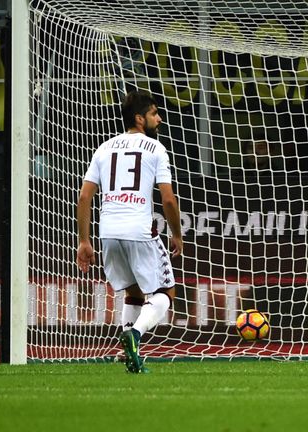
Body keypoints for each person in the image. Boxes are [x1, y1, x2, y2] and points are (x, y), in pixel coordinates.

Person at [76, 90, 183, 374]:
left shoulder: (104, 148)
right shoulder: (156, 149)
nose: (158, 119)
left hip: (108, 232)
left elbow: (84, 197)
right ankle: (134, 335)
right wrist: (177, 234)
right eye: (154, 114)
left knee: (133, 292)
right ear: (140, 118)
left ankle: (126, 351)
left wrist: (84, 241)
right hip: (139, 229)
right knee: (165, 291)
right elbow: (169, 200)